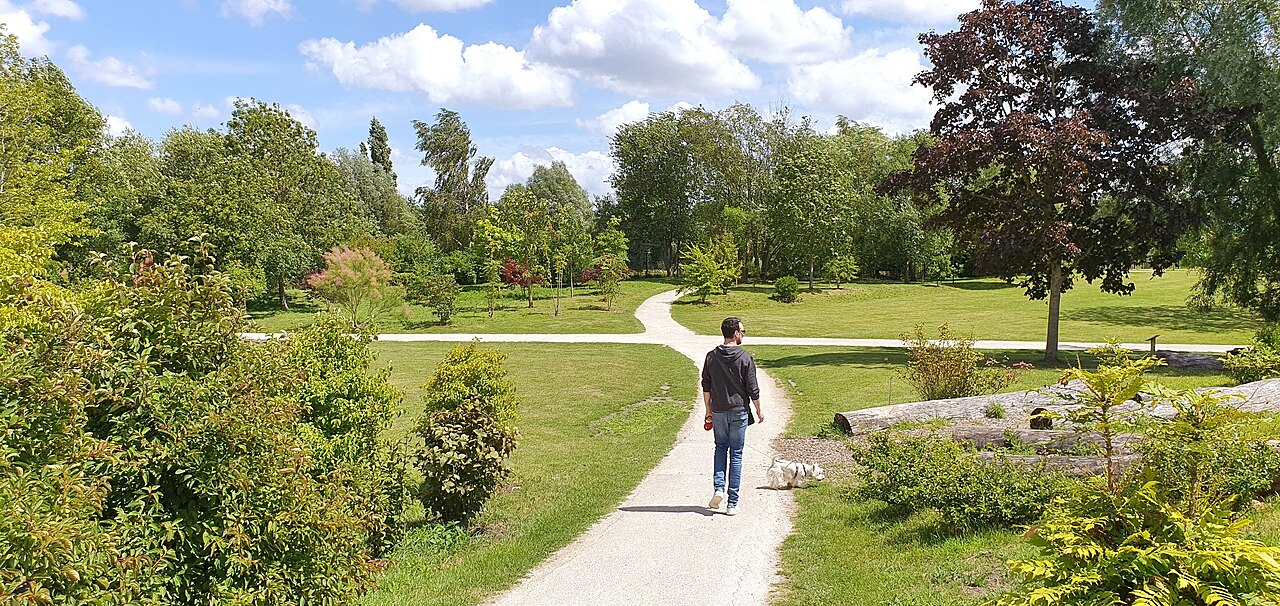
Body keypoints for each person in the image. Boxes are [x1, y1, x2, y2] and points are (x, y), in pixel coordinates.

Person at [702, 316, 764, 516]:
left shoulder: (711, 356)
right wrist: (759, 410)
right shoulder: (745, 357)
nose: (744, 335)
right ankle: (732, 503)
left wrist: (708, 410)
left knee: (720, 447)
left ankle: (718, 488)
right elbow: (753, 389)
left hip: (718, 410)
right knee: (736, 454)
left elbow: (706, 385)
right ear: (736, 333)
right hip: (738, 411)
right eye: (743, 332)